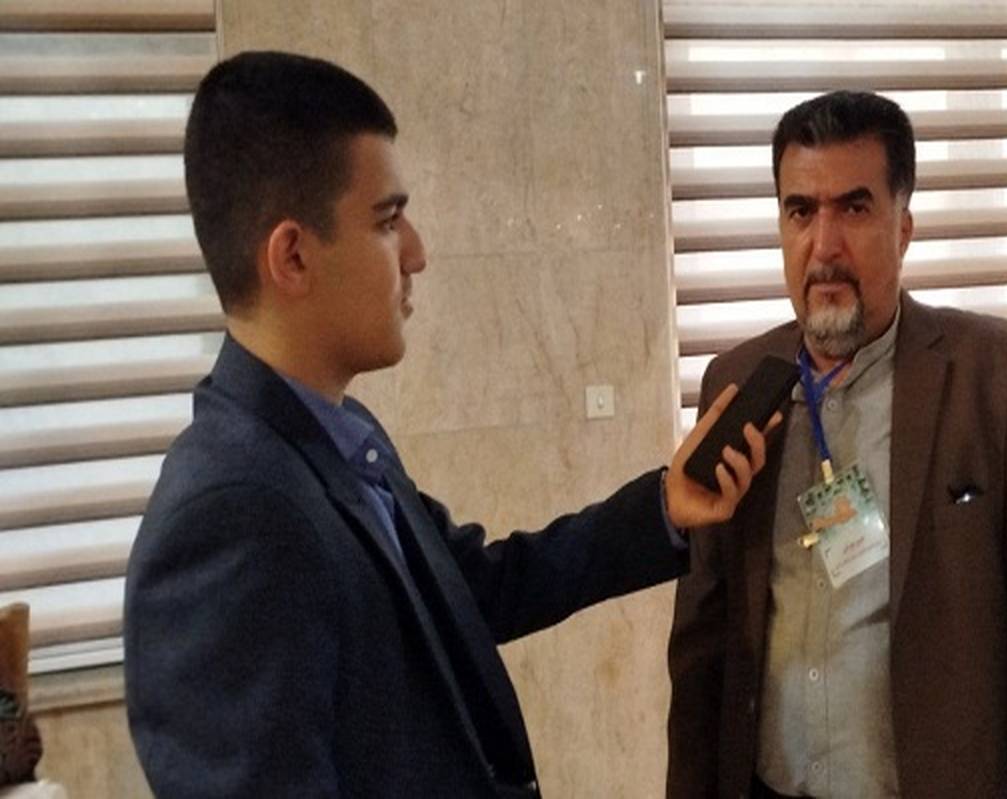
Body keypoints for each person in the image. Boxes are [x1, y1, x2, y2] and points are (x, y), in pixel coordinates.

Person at [123, 51, 777, 799]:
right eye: (387, 220)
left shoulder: (336, 435)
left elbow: (473, 589)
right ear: (293, 256)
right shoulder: (231, 518)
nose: (418, 253)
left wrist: (664, 506)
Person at [665, 90, 1007, 798]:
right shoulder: (736, 384)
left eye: (854, 208)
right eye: (800, 211)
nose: (824, 246)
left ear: (903, 227)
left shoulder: (999, 380)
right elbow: (702, 644)